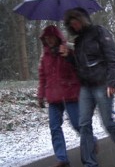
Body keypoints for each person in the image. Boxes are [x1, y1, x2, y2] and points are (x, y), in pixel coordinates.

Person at [64, 7, 115, 166]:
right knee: (84, 124)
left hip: (102, 84)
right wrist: (68, 56)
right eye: (71, 23)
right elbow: (79, 66)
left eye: (76, 21)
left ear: (82, 19)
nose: (74, 25)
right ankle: (89, 163)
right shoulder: (78, 41)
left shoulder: (99, 32)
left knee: (107, 122)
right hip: (86, 87)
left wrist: (112, 82)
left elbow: (114, 58)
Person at [37, 25, 81, 167]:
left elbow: (78, 70)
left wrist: (68, 56)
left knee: (77, 124)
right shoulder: (45, 57)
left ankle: (91, 141)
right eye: (46, 38)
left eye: (51, 37)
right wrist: (40, 95)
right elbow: (43, 77)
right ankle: (62, 159)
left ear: (58, 37)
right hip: (53, 97)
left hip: (70, 94)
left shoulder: (68, 50)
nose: (49, 40)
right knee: (54, 127)